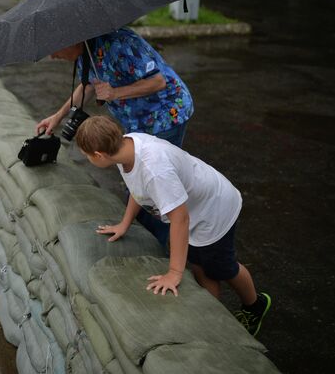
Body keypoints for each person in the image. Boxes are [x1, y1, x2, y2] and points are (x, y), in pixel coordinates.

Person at [75, 115, 271, 336]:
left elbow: (180, 219)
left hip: (213, 211)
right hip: (194, 209)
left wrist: (174, 272)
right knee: (199, 265)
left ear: (99, 155)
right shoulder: (124, 147)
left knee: (222, 267)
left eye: (87, 156)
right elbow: (138, 190)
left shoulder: (154, 170)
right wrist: (124, 223)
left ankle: (255, 305)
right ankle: (211, 319)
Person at [36, 27, 193, 245]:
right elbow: (88, 85)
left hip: (165, 115)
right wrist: (58, 116)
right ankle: (142, 229)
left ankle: (165, 245)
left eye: (54, 50)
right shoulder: (86, 52)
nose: (53, 56)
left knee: (155, 181)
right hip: (136, 120)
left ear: (71, 40)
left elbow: (158, 82)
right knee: (138, 177)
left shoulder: (121, 44)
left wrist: (115, 93)